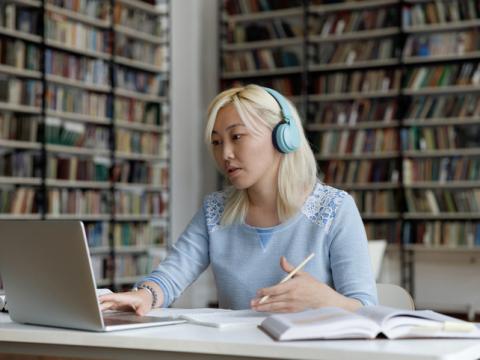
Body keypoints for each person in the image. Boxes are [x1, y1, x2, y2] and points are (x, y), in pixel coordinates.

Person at [100, 84, 377, 315]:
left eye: (237, 136)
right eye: (217, 142)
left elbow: (366, 310)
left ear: (283, 137)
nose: (226, 154)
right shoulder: (215, 210)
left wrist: (325, 300)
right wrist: (145, 295)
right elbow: (170, 277)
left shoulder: (336, 208)